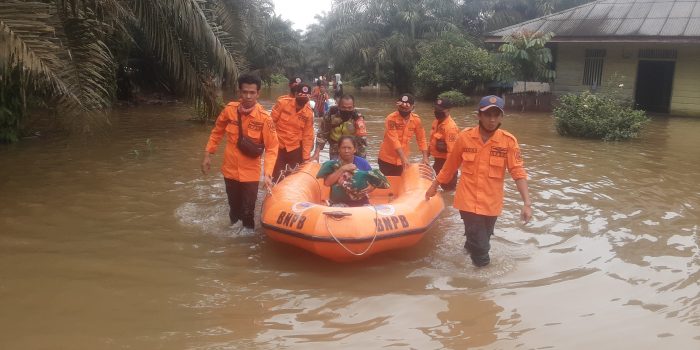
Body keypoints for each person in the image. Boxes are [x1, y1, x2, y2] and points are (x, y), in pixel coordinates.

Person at [425, 95, 532, 267]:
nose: (492, 120)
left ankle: (466, 253)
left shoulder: (508, 142)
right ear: (479, 116)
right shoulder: (464, 137)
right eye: (488, 115)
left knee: (483, 237)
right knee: (482, 250)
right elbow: (449, 167)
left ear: (501, 117)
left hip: (491, 203)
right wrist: (433, 187)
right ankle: (479, 285)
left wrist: (527, 203)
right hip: (468, 201)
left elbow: (518, 172)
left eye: (496, 115)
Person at [201, 73, 279, 232]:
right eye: (245, 92)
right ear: (239, 92)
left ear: (258, 93)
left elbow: (272, 148)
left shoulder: (265, 119)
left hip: (250, 173)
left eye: (252, 92)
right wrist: (208, 155)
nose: (248, 96)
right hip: (229, 171)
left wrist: (268, 174)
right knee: (234, 210)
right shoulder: (229, 110)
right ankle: (233, 244)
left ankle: (248, 245)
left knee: (248, 212)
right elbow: (217, 132)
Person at [316, 136, 382, 207]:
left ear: (355, 150)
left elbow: (374, 180)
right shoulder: (332, 164)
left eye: (349, 148)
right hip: (338, 202)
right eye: (343, 148)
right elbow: (327, 183)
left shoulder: (363, 162)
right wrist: (342, 169)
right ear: (339, 149)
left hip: (361, 202)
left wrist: (371, 187)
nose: (346, 151)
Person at [377, 93, 429, 176]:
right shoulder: (391, 119)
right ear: (397, 106)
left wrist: (425, 157)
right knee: (387, 186)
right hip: (386, 159)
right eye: (401, 108)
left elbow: (421, 138)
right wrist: (403, 158)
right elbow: (394, 140)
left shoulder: (416, 120)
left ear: (413, 107)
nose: (404, 110)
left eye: (406, 108)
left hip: (402, 160)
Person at [271, 83, 315, 180]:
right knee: (276, 176)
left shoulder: (308, 113)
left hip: (295, 149)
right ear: (295, 94)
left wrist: (306, 158)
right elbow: (270, 123)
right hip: (279, 146)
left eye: (306, 95)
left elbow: (307, 136)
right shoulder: (282, 103)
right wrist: (269, 144)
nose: (303, 97)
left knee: (292, 178)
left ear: (310, 97)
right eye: (301, 94)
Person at [312, 94, 368, 160]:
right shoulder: (330, 114)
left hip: (352, 148)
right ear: (338, 106)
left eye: (349, 108)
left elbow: (362, 140)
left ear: (353, 107)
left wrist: (362, 159)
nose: (347, 110)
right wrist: (316, 153)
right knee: (335, 167)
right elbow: (322, 133)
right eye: (344, 107)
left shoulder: (357, 118)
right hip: (335, 147)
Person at [428, 97, 460, 190]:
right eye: (436, 109)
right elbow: (431, 141)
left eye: (440, 110)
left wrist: (445, 172)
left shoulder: (451, 128)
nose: (437, 111)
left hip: (447, 165)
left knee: (448, 190)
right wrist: (425, 157)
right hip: (437, 161)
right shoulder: (436, 122)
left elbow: (452, 154)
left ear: (448, 110)